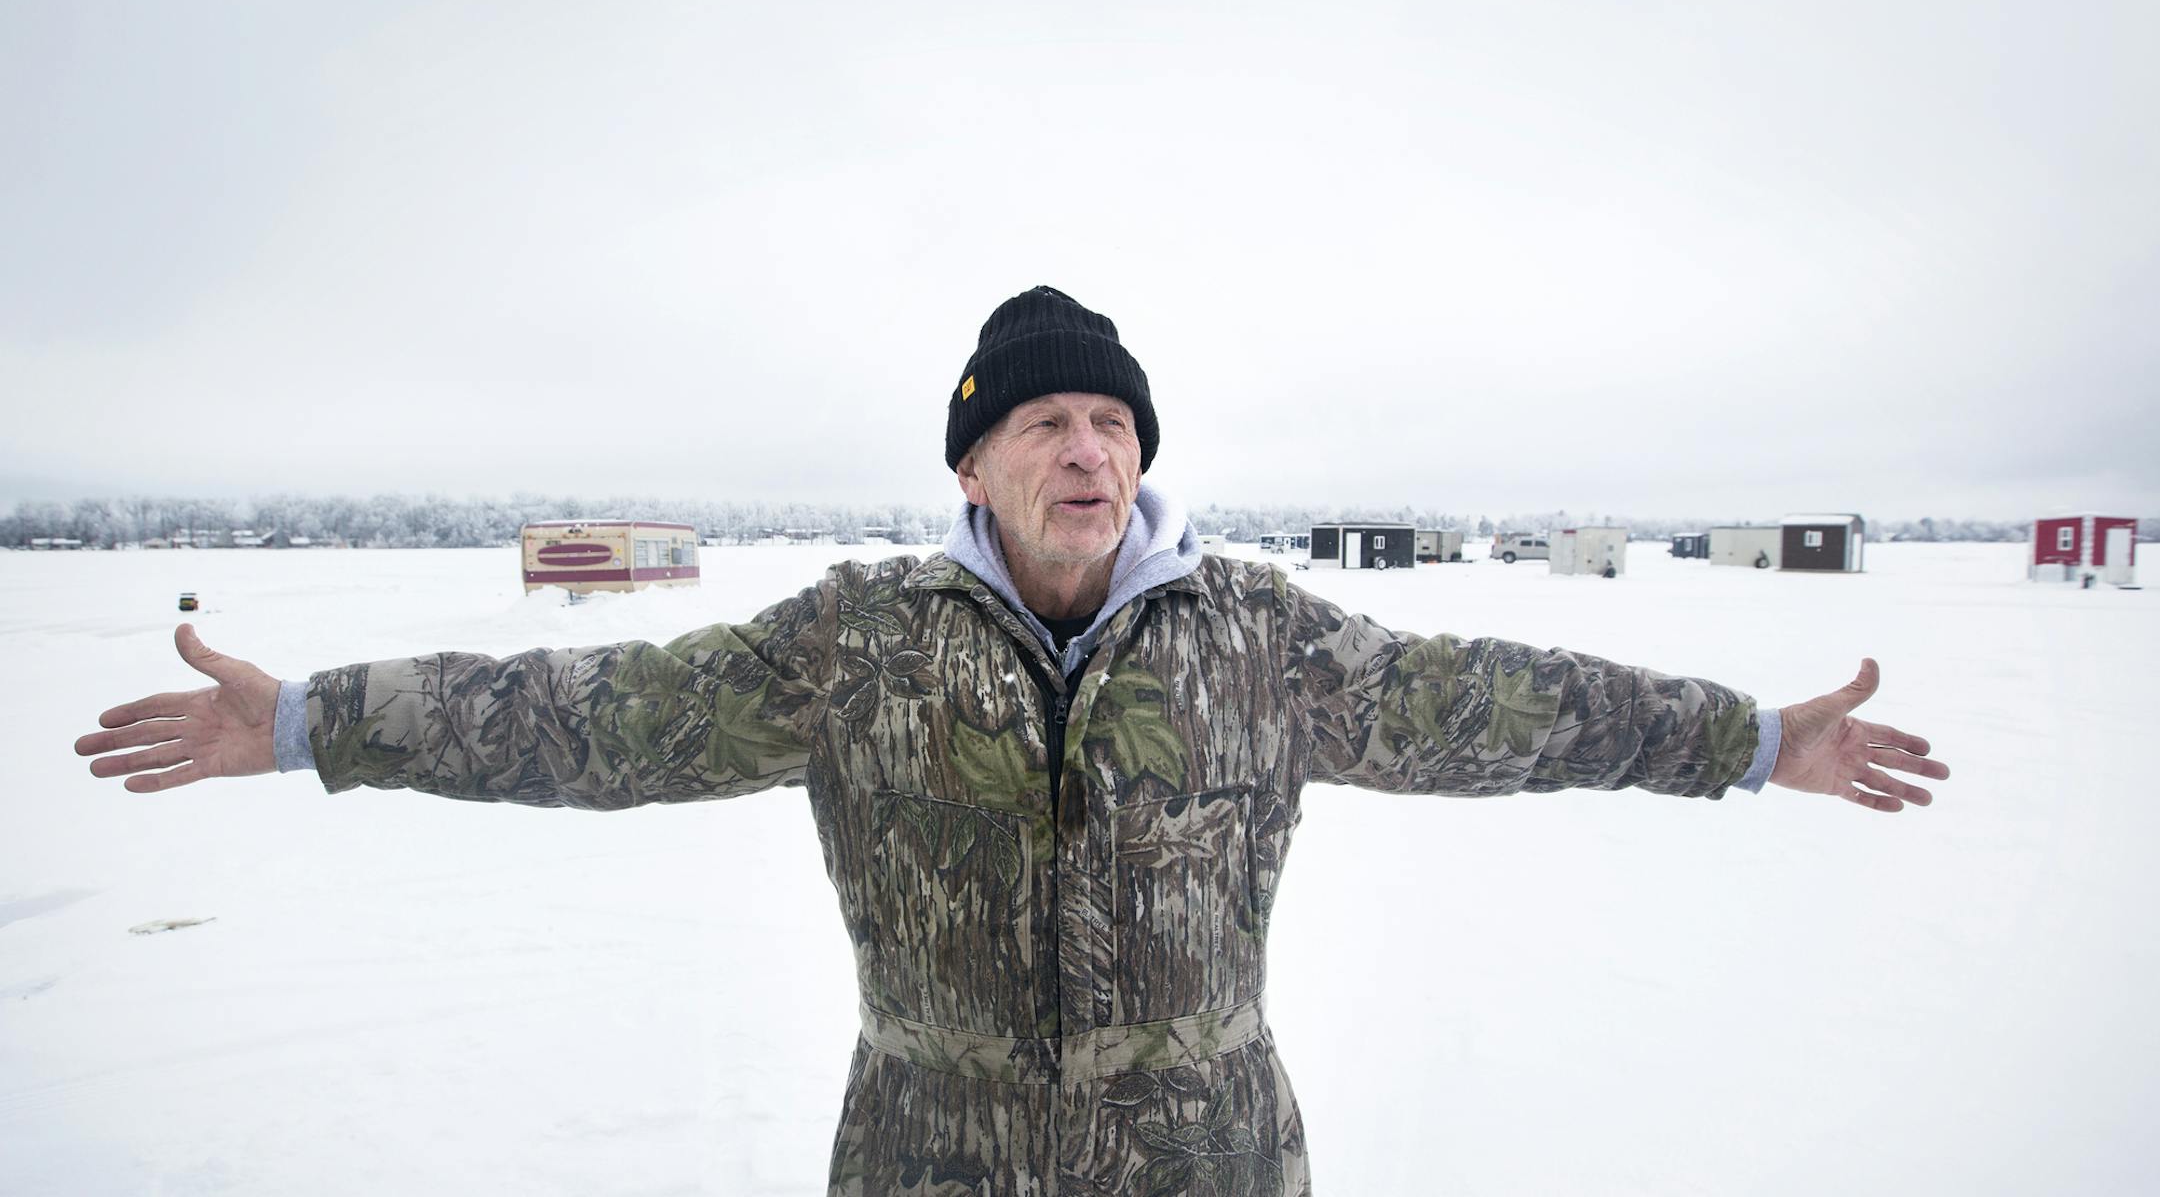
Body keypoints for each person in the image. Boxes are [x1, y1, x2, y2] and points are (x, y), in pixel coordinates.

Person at [78, 286, 1949, 1196]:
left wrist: (1742, 737)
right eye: (1045, 420)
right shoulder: (856, 644)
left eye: (1115, 426)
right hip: (928, 1165)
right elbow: (591, 713)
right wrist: (324, 722)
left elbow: (1505, 700)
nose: (1088, 452)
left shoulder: (1260, 642)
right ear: (972, 464)